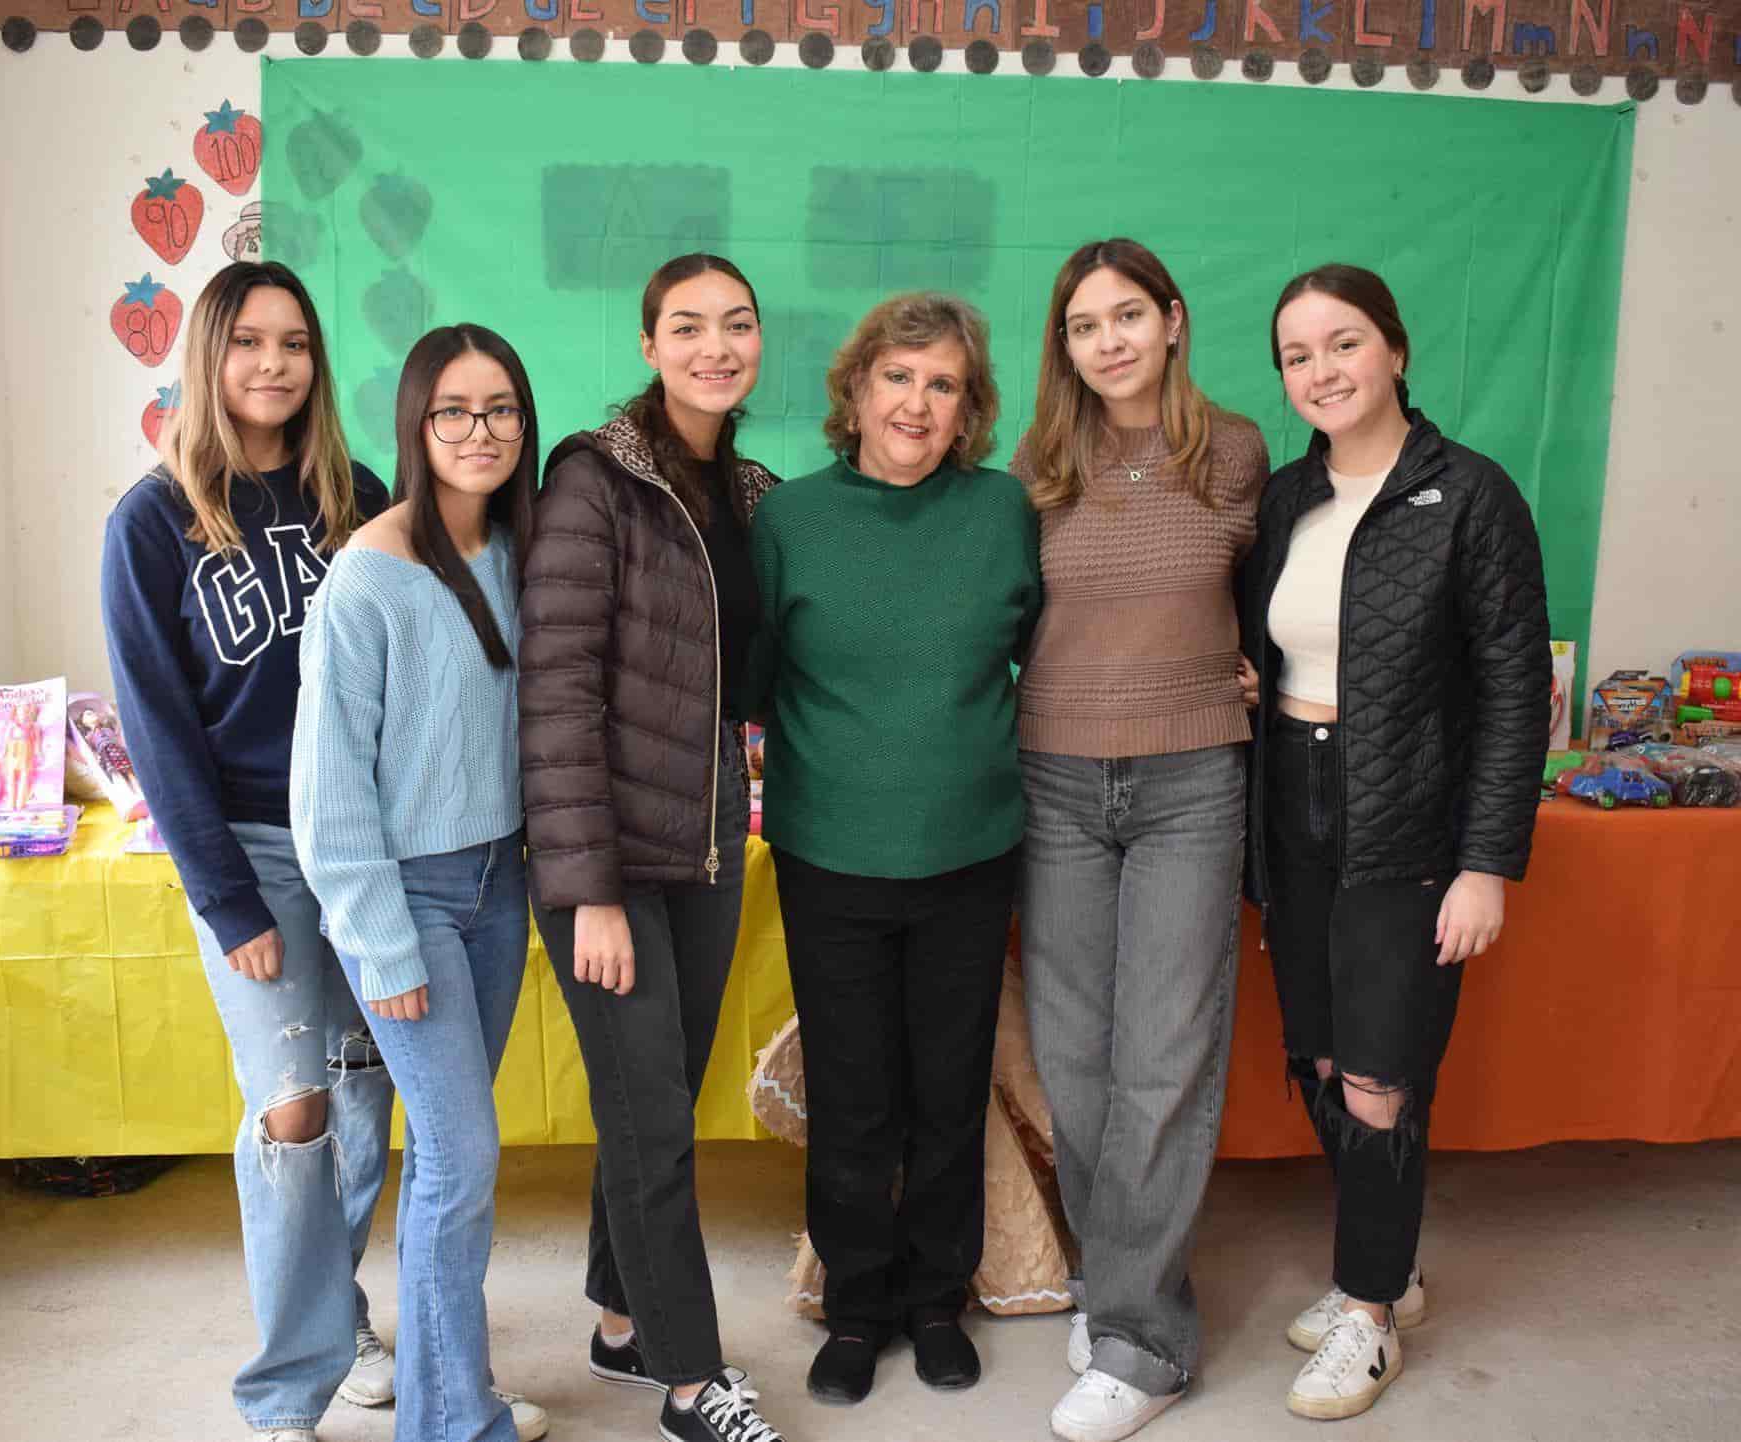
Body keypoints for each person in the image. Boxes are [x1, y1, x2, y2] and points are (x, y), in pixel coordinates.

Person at [1244, 264, 1551, 1421]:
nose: (1322, 370)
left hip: (1409, 823)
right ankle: (1391, 1267)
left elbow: (1518, 693)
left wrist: (1486, 863)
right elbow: (1261, 654)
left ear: (1398, 350)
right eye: (1297, 354)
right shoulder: (1285, 498)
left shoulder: (1470, 495)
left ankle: (1366, 1314)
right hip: (1294, 803)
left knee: (1381, 1071)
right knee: (1324, 1056)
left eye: (1345, 342)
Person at [101, 260, 397, 1442]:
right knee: (295, 1108)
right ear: (209, 357)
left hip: (366, 849)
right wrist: (228, 901)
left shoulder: (359, 494)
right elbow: (156, 727)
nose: (273, 363)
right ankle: (286, 1390)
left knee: (371, 1100)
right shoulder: (152, 519)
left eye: (295, 343)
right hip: (254, 849)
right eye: (248, 341)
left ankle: (344, 1320)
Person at [748, 292, 1041, 1409]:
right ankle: (855, 1304)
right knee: (857, 1094)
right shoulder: (794, 521)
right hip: (833, 854)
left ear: (969, 410)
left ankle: (936, 1298)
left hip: (971, 852)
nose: (918, 402)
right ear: (857, 389)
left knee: (949, 1089)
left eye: (944, 384)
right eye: (899, 377)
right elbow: (762, 680)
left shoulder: (1004, 513)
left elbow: (1048, 655)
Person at [519, 254, 786, 1442]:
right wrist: (590, 894)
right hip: (611, 858)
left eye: (736, 325)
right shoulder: (593, 479)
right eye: (688, 326)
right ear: (647, 344)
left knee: (655, 1098)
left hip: (711, 840)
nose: (714, 346)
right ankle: (691, 1378)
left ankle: (622, 1322)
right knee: (651, 1117)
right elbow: (558, 691)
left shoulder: (756, 490)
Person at [1008, 239, 1269, 1442]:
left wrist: (1258, 676)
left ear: (1172, 319)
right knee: (1076, 1060)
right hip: (1056, 781)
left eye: (1127, 316)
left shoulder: (1237, 451)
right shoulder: (1041, 465)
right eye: (1081, 325)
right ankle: (1122, 1283)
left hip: (1190, 784)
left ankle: (1143, 1339)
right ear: (1062, 347)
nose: (1106, 340)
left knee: (1166, 1055)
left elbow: (1280, 597)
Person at [291, 324, 549, 1442]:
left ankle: (457, 1391)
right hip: (410, 895)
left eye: (501, 408)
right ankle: (453, 1421)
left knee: (456, 1150)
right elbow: (329, 785)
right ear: (416, 423)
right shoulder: (370, 570)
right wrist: (382, 941)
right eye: (455, 410)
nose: (480, 430)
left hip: (503, 885)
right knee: (461, 1152)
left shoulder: (520, 553)